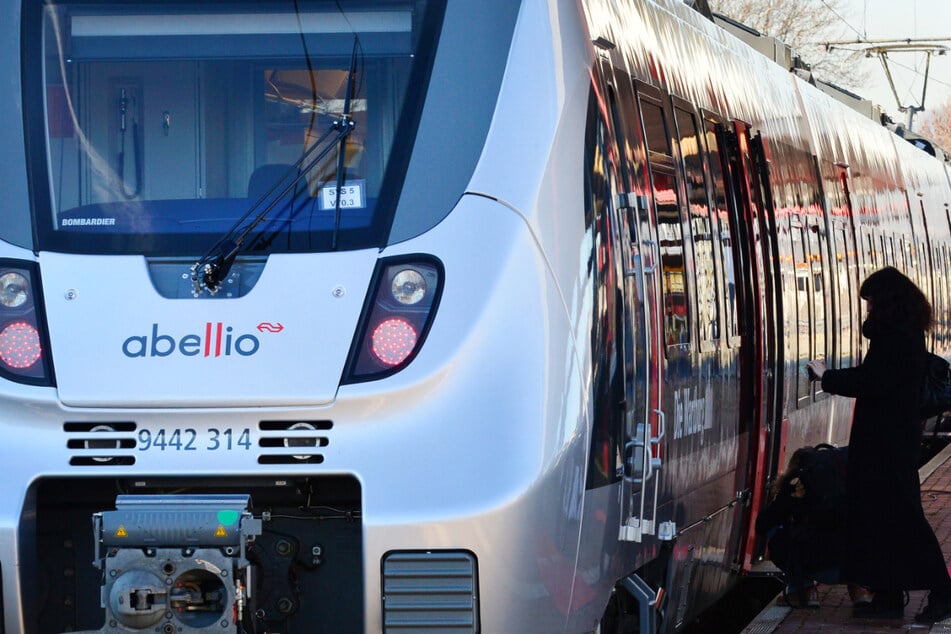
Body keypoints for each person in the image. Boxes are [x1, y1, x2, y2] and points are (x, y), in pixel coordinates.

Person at [806, 266, 951, 623]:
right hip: (884, 443)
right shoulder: (898, 334)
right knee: (879, 519)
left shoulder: (898, 338)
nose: (867, 311)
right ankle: (887, 595)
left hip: (889, 446)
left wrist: (827, 376)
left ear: (887, 304)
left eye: (871, 304)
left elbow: (874, 381)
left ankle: (943, 592)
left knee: (905, 519)